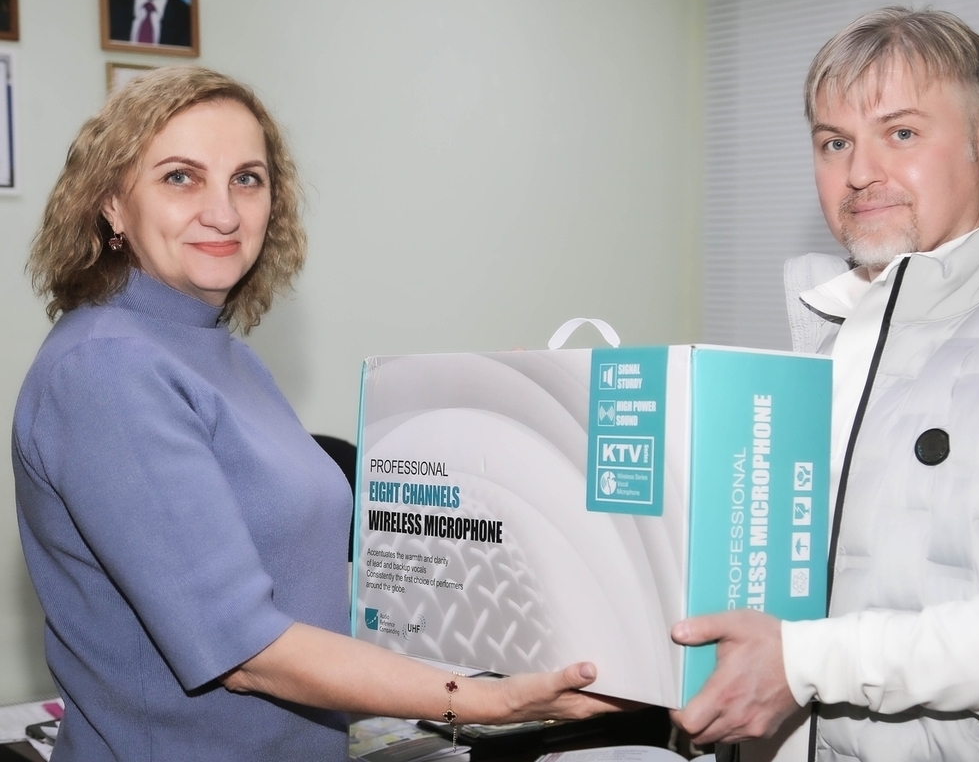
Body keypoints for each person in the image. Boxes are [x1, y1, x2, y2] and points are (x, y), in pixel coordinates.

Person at [12, 66, 617, 761]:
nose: (224, 212)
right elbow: (247, 651)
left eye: (247, 179)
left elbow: (317, 580)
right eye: (181, 177)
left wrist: (485, 426)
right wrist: (489, 701)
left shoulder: (221, 355)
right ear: (113, 205)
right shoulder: (105, 369)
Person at [670, 7, 979, 761]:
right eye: (834, 142)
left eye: (901, 133)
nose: (859, 172)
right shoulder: (823, 344)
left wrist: (809, 662)